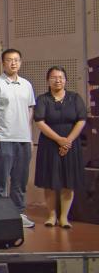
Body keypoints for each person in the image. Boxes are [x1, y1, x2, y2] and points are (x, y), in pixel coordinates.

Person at [34, 66, 86, 228]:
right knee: (50, 181)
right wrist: (59, 140)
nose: (58, 80)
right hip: (49, 144)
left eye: (61, 77)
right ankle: (51, 216)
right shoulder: (43, 99)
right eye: (54, 77)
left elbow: (81, 120)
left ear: (66, 80)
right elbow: (39, 121)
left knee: (68, 181)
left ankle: (64, 217)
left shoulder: (75, 98)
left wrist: (67, 141)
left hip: (71, 144)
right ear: (48, 80)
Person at [0, 49, 37, 229]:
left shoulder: (27, 84)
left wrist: (29, 137)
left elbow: (30, 110)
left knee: (20, 179)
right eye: (9, 60)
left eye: (16, 60)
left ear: (21, 62)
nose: (13, 63)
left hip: (23, 139)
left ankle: (19, 213)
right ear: (3, 63)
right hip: (3, 138)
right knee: (1, 179)